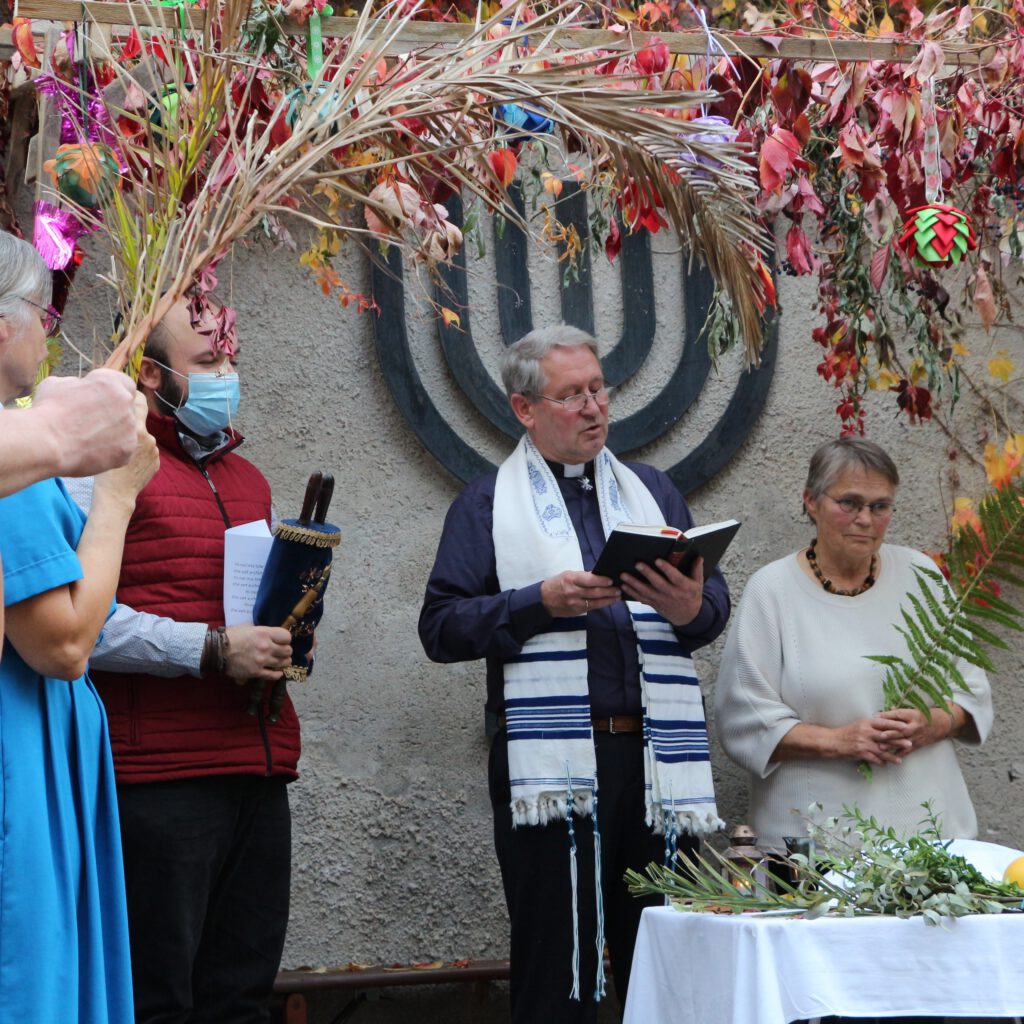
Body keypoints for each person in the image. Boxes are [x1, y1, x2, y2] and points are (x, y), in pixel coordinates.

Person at [419, 325, 730, 1023]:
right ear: (524, 409)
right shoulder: (485, 504)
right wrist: (538, 603)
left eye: (598, 389)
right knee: (557, 970)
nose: (594, 408)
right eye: (571, 396)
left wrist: (691, 608)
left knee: (672, 960)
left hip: (655, 766)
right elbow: (440, 628)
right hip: (554, 772)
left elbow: (710, 612)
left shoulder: (652, 491)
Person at [65, 296, 298, 1024]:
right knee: (158, 995)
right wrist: (208, 650)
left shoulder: (247, 478)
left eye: (230, 359)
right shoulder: (100, 471)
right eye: (207, 363)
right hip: (159, 780)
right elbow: (77, 622)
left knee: (241, 993)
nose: (226, 374)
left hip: (256, 768)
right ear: (150, 372)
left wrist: (287, 633)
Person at [0, 230, 160, 1021]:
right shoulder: (18, 465)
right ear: (3, 326)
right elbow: (62, 642)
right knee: (31, 963)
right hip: (19, 744)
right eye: (42, 313)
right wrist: (121, 492)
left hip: (37, 742)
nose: (46, 333)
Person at [714, 437, 993, 852]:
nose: (865, 518)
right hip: (814, 842)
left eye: (880, 506)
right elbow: (744, 720)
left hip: (929, 836)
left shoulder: (921, 576)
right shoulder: (772, 591)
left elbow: (970, 692)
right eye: (850, 502)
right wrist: (842, 741)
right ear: (812, 501)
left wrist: (931, 722)